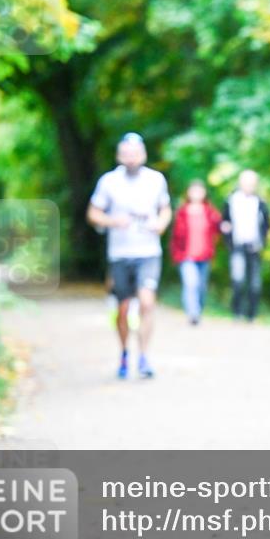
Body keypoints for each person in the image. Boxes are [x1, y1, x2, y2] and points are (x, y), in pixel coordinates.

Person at [87, 132, 172, 379]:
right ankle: (125, 353)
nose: (131, 159)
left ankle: (144, 356)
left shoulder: (156, 180)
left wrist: (161, 224)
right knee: (123, 309)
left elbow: (165, 209)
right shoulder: (108, 182)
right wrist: (112, 221)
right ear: (119, 156)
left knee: (147, 302)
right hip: (120, 254)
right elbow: (93, 213)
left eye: (135, 154)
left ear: (143, 155)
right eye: (126, 154)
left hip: (148, 252)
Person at [221, 170, 270, 322]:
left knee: (255, 283)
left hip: (254, 246)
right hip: (237, 246)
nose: (249, 186)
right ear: (240, 183)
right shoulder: (231, 200)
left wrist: (262, 242)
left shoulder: (260, 202)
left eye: (252, 183)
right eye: (246, 183)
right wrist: (227, 235)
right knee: (238, 280)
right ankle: (237, 313)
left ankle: (251, 315)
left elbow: (267, 225)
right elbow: (224, 222)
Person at [170, 179, 222, 325]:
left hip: (204, 255)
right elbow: (175, 236)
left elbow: (219, 227)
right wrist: (175, 254)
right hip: (186, 256)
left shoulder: (209, 211)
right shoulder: (182, 212)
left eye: (199, 191)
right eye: (193, 191)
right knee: (190, 284)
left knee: (201, 286)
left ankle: (198, 309)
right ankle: (193, 314)